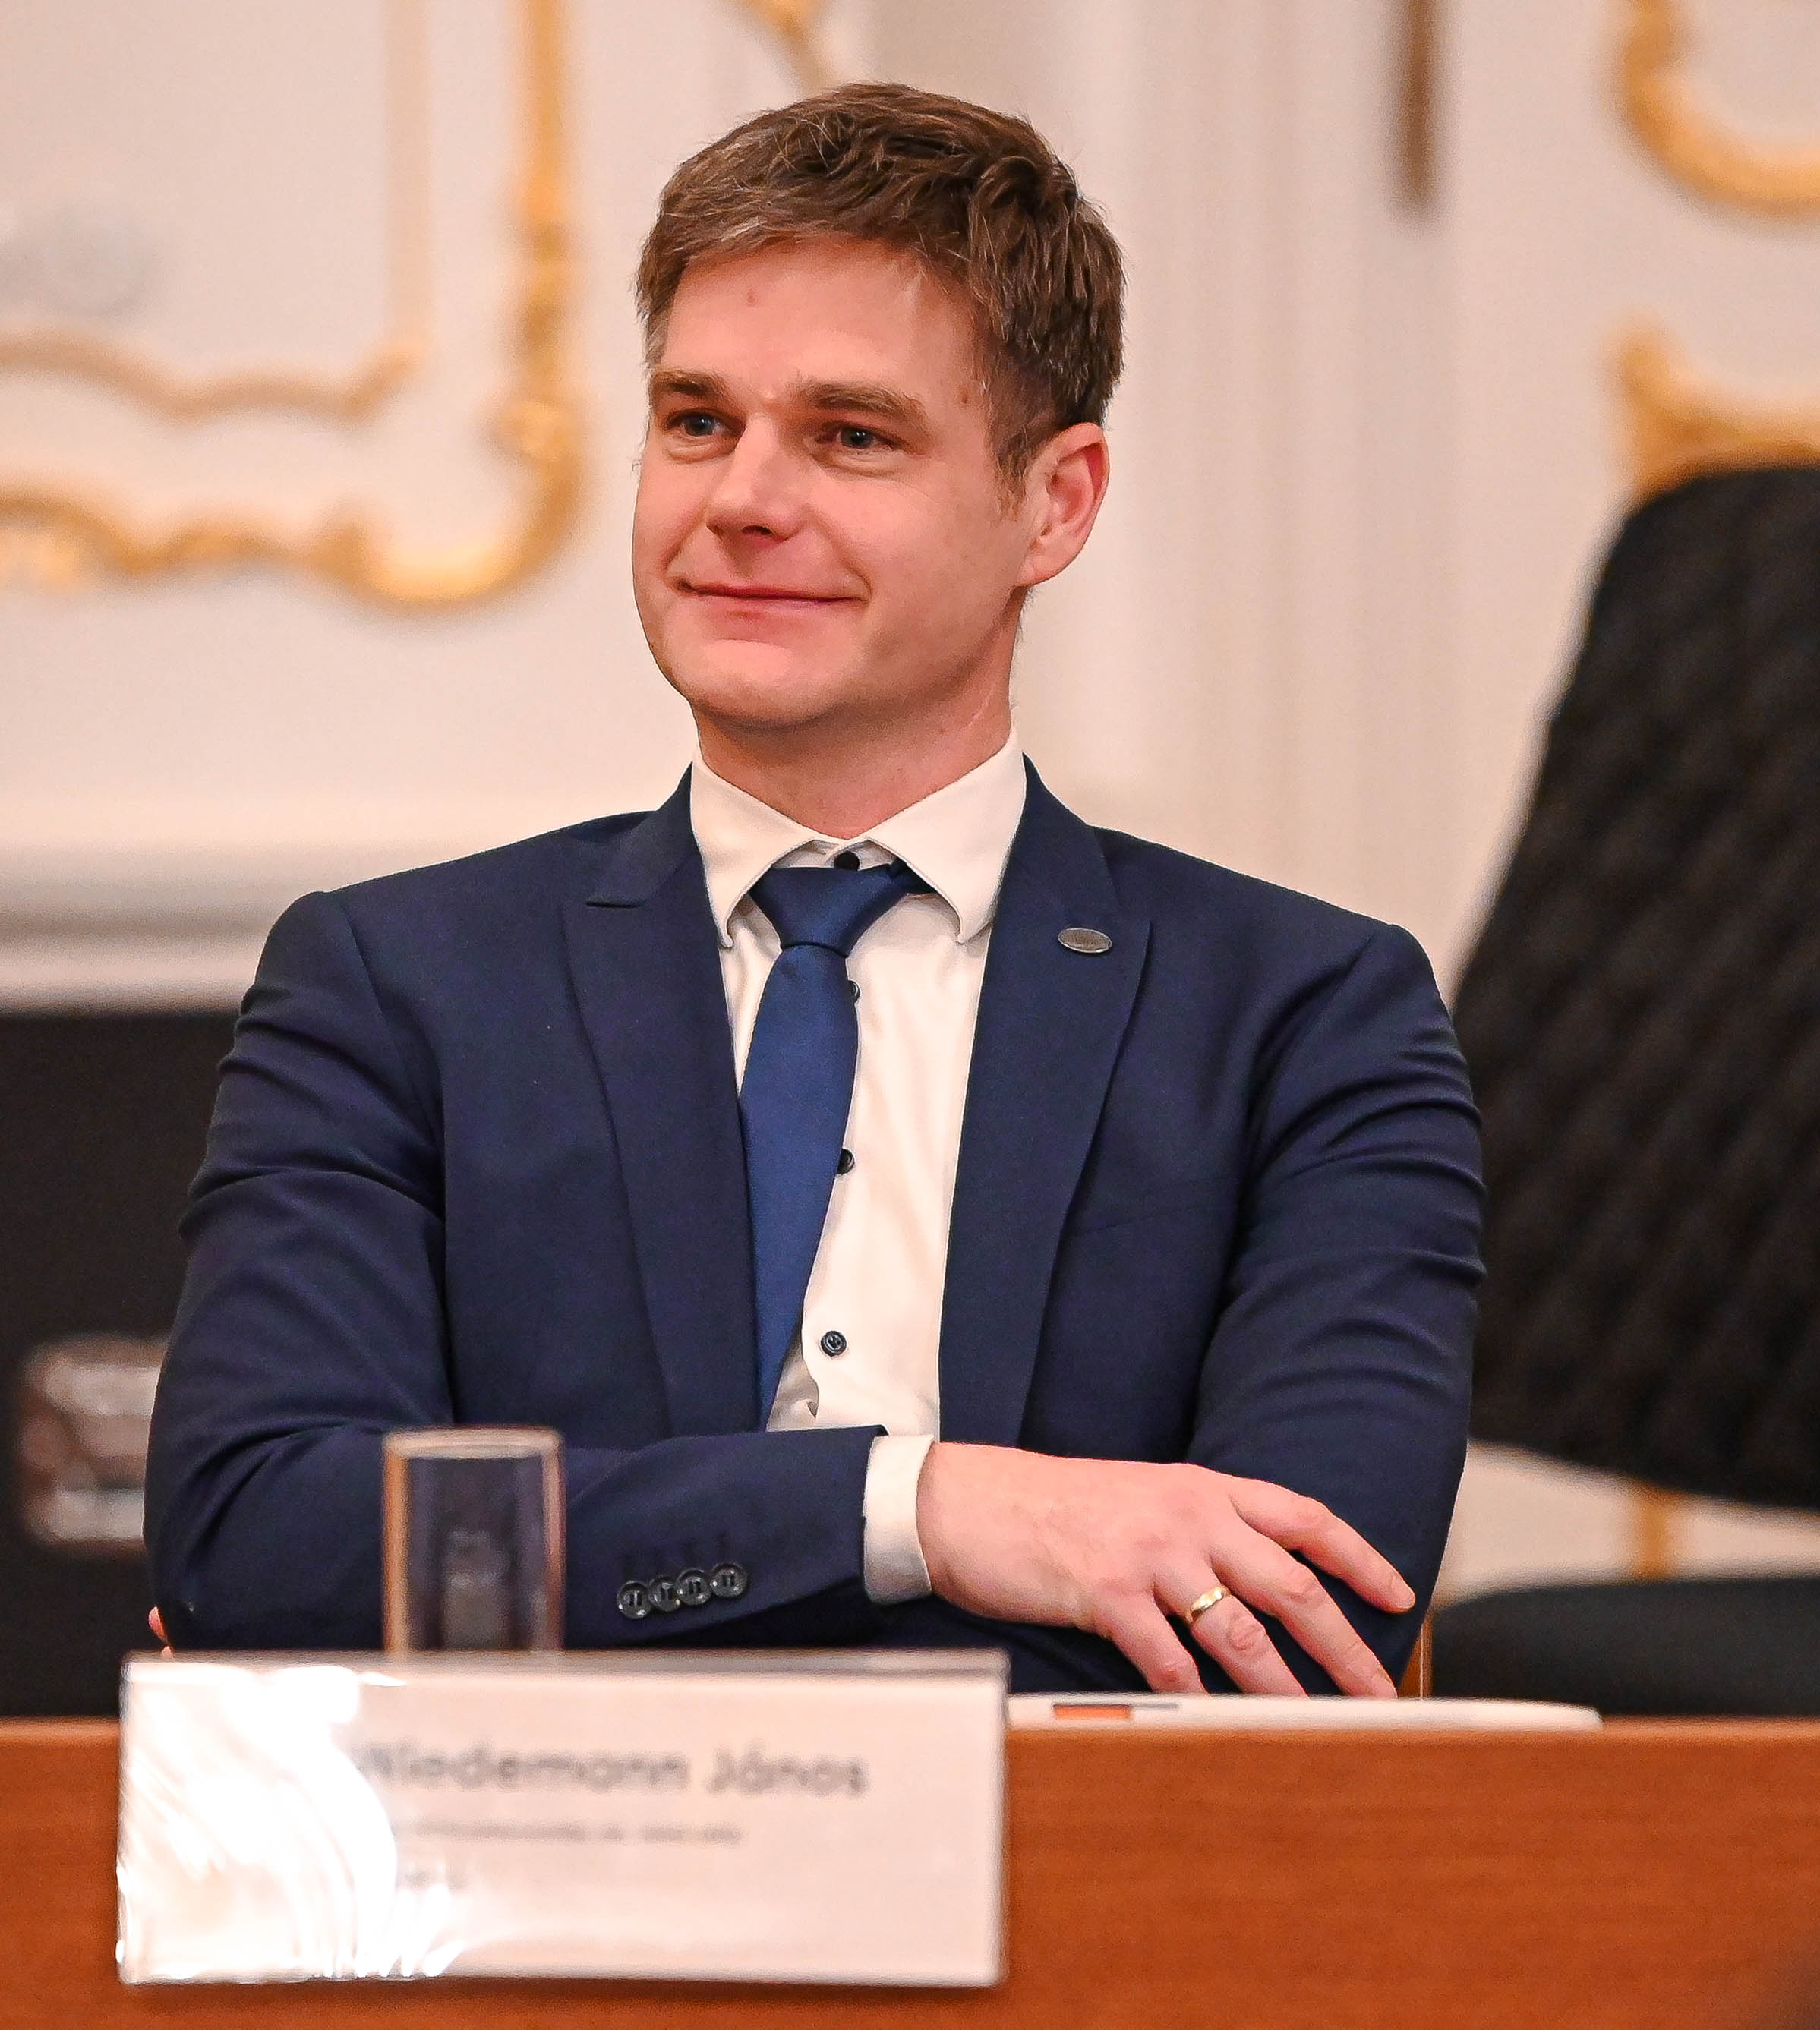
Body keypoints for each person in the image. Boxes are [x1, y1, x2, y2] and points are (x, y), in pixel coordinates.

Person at [144, 83, 1481, 1696]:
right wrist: (925, 1508)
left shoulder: (1305, 1012)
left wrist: (587, 1579)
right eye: (697, 423)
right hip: (547, 1846)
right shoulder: (394, 982)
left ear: (1052, 502)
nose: (740, 501)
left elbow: (1304, 1611)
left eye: (850, 436)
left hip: (1086, 1850)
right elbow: (256, 1546)